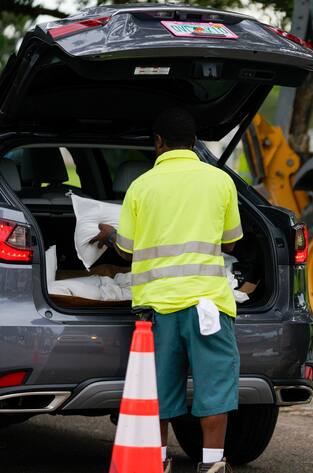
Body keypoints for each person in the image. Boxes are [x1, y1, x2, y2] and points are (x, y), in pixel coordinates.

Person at [91, 108, 242, 473]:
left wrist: (109, 235)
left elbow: (126, 251)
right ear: (194, 142)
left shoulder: (142, 186)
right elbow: (233, 242)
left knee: (158, 389)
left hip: (157, 310)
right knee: (216, 386)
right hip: (209, 305)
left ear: (158, 142)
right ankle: (212, 464)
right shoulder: (220, 181)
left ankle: (156, 461)